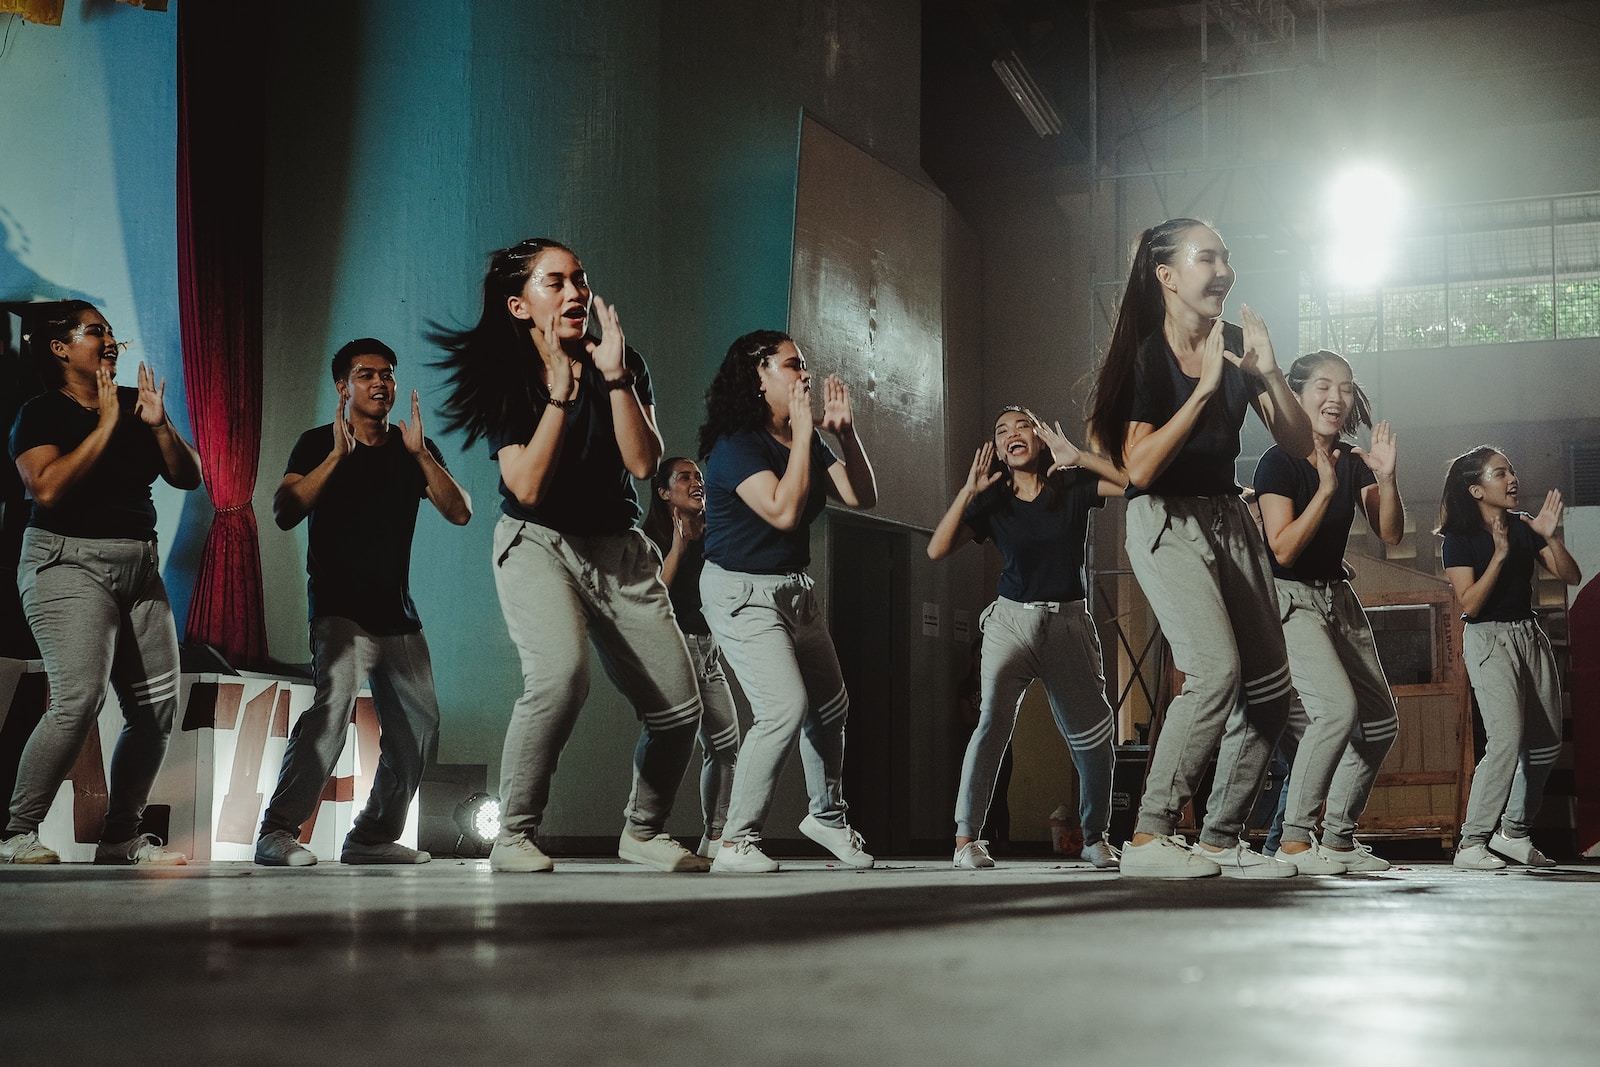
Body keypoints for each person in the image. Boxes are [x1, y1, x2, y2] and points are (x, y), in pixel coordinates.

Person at [432, 238, 706, 874]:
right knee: (559, 680)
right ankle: (515, 835)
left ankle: (642, 832)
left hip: (620, 548)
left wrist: (613, 377)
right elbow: (525, 485)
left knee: (679, 708)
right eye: (554, 283)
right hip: (538, 543)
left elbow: (644, 464)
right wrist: (558, 392)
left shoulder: (622, 360)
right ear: (520, 305)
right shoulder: (508, 376)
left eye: (579, 279)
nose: (576, 292)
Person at [1085, 218, 1313, 878]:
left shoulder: (1236, 345)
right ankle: (1150, 836)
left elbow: (1297, 444)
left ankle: (1218, 837)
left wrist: (1267, 376)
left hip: (1227, 519)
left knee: (1270, 687)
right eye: (1207, 257)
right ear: (1168, 275)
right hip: (1165, 521)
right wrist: (1207, 389)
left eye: (1227, 256)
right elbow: (1140, 469)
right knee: (1213, 670)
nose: (1224, 270)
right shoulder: (1144, 356)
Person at [254, 338, 472, 867]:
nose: (380, 383)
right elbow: (285, 511)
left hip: (396, 611)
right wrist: (335, 458)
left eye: (388, 374)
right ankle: (277, 834)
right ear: (343, 386)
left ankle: (372, 836)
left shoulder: (411, 445)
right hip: (338, 607)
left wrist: (422, 456)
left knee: (420, 728)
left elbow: (460, 511)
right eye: (366, 374)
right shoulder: (316, 442)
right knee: (331, 713)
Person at [0, 301, 202, 865]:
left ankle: (120, 838)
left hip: (139, 568)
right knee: (78, 698)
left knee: (156, 711)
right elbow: (47, 489)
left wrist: (158, 426)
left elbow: (189, 476)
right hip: (66, 564)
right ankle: (16, 833)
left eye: (111, 333)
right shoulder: (40, 413)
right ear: (61, 348)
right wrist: (106, 424)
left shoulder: (139, 406)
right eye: (96, 332)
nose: (110, 341)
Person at [696, 329, 878, 873]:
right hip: (739, 589)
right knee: (782, 709)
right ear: (758, 378)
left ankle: (826, 816)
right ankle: (734, 840)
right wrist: (803, 435)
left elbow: (862, 496)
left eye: (804, 363)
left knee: (830, 706)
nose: (804, 373)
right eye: (792, 364)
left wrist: (844, 436)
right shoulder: (736, 446)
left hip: (793, 590)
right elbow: (781, 511)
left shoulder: (806, 438)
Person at [927, 407, 1125, 870]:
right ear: (998, 449)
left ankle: (1096, 837)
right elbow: (937, 549)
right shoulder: (993, 499)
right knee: (991, 722)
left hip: (1068, 623)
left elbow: (1134, 481)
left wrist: (1079, 456)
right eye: (1002, 431)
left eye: (1024, 427)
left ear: (1040, 439)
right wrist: (967, 493)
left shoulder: (1071, 485)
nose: (1013, 434)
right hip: (1010, 622)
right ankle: (965, 841)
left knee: (1094, 734)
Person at [1252, 351, 1404, 874]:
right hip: (1290, 598)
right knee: (1336, 711)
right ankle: (1295, 841)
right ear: (1295, 396)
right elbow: (1284, 549)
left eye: (1345, 387)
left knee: (1381, 722)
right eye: (1322, 386)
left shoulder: (1355, 459)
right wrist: (1326, 490)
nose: (1335, 398)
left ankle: (1338, 839)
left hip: (1338, 599)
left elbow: (1390, 534)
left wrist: (1385, 478)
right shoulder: (1278, 462)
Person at [1437, 446, 1581, 870]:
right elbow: (1472, 604)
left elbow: (1570, 576)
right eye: (1500, 473)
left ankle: (1514, 832)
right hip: (1488, 640)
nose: (1512, 479)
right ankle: (1471, 843)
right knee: (1505, 741)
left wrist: (1550, 535)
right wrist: (1499, 556)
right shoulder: (1458, 540)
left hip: (1529, 635)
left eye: (1512, 471)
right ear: (1477, 489)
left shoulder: (1524, 526)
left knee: (1546, 743)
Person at [642, 456, 741, 859]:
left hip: (708, 649)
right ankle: (645, 830)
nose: (696, 482)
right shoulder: (649, 535)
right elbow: (652, 594)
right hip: (673, 646)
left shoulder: (714, 531)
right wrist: (679, 546)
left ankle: (715, 836)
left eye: (699, 476)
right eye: (685, 477)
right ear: (665, 491)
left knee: (726, 743)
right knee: (668, 740)